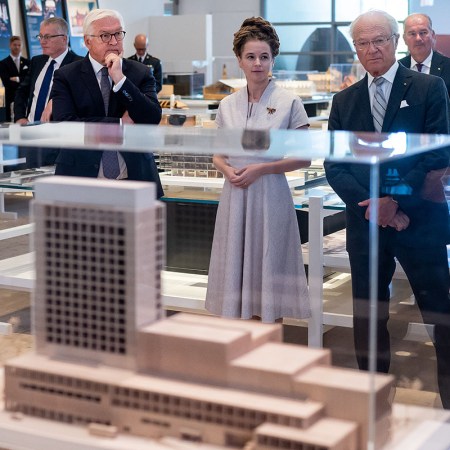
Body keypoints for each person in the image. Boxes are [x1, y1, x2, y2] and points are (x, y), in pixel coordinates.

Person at [324, 9, 450, 408]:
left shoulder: (430, 88)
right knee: (369, 318)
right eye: (362, 42)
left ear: (395, 41)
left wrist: (394, 199)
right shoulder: (344, 100)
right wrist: (373, 207)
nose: (371, 49)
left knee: (440, 316)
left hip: (420, 220)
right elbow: (334, 163)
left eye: (379, 39)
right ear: (355, 49)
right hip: (367, 225)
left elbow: (438, 151)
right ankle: (374, 405)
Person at [205, 17, 311, 323]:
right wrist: (226, 169)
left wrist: (262, 170)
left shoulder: (290, 101)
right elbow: (217, 154)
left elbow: (303, 158)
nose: (258, 64)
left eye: (264, 57)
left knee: (269, 271)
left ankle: (269, 349)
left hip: (270, 196)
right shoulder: (227, 104)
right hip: (235, 196)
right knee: (235, 276)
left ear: (273, 59)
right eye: (250, 57)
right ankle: (238, 349)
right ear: (239, 60)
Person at [51, 9, 163, 198]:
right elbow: (65, 125)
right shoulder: (66, 76)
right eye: (105, 36)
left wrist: (120, 80)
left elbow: (152, 118)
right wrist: (119, 125)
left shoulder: (140, 72)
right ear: (87, 41)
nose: (113, 42)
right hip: (82, 178)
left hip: (135, 179)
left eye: (118, 34)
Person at [14, 17, 81, 125]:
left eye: (48, 37)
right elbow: (22, 92)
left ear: (64, 39)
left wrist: (55, 100)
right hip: (29, 130)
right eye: (40, 36)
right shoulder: (37, 61)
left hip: (57, 133)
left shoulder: (78, 64)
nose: (42, 41)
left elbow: (81, 98)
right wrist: (19, 117)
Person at [399, 13, 450, 97]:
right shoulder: (398, 68)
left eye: (423, 32)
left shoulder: (448, 66)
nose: (418, 38)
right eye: (412, 34)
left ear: (432, 35)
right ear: (404, 39)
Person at [0, 36, 29, 122]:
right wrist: (23, 80)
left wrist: (17, 79)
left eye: (19, 45)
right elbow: (6, 82)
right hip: (10, 98)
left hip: (25, 99)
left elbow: (29, 79)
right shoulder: (3, 63)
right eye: (14, 45)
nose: (17, 47)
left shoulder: (28, 62)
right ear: (10, 45)